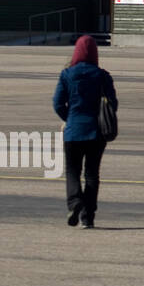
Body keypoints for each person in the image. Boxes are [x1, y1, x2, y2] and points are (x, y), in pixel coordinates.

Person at [53, 36, 117, 229]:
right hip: (96, 132)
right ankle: (88, 217)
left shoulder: (66, 74)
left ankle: (74, 202)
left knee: (72, 171)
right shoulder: (103, 75)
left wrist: (68, 118)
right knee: (92, 174)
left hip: (73, 131)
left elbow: (57, 103)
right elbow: (113, 104)